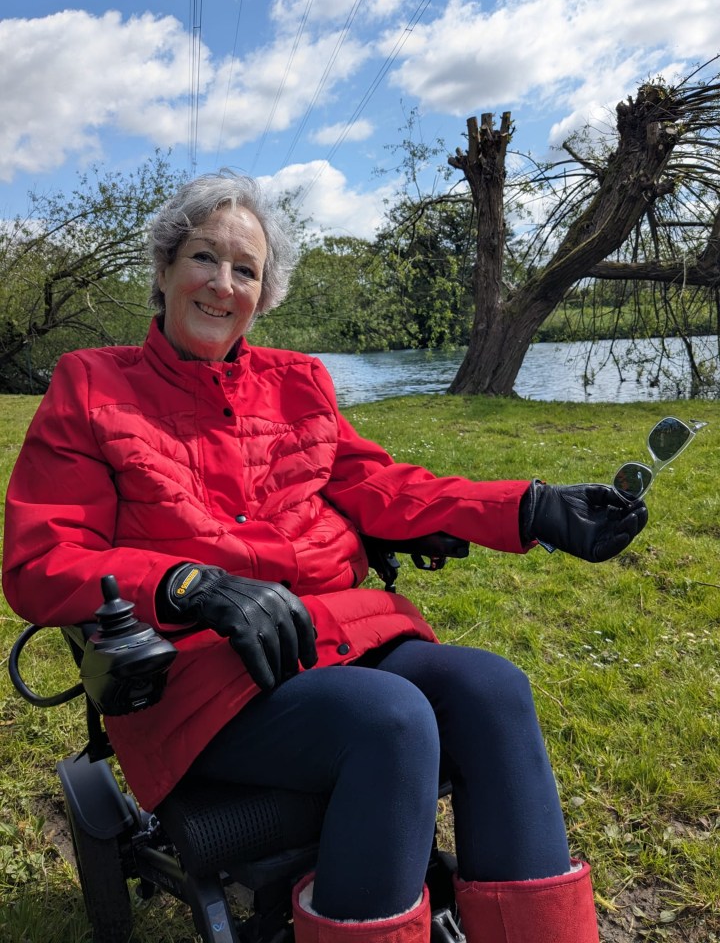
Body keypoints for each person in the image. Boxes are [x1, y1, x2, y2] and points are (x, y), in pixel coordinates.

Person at [2, 172, 647, 943]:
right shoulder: (92, 385)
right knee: (392, 721)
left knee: (493, 690)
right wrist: (184, 583)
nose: (222, 283)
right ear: (166, 268)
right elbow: (42, 558)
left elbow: (379, 486)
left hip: (337, 637)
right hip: (199, 672)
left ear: (263, 294)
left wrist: (528, 506)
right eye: (205, 258)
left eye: (246, 270)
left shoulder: (300, 383)